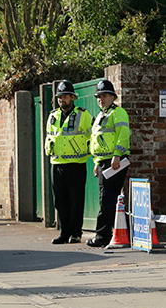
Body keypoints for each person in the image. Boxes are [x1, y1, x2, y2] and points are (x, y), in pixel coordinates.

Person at [44, 80, 93, 245]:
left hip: (76, 164)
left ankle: (76, 233)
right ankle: (64, 233)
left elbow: (94, 135)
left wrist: (91, 151)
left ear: (73, 97)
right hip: (57, 163)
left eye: (65, 96)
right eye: (59, 97)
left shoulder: (83, 115)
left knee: (76, 200)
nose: (61, 100)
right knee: (60, 201)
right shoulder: (53, 116)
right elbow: (50, 137)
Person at [87, 79, 130, 248]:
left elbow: (123, 134)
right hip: (105, 162)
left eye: (104, 96)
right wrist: (97, 162)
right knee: (106, 198)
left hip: (114, 162)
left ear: (112, 97)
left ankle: (102, 235)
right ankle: (118, 232)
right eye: (98, 97)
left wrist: (117, 155)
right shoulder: (101, 115)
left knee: (107, 199)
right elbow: (96, 141)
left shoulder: (117, 113)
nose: (101, 99)